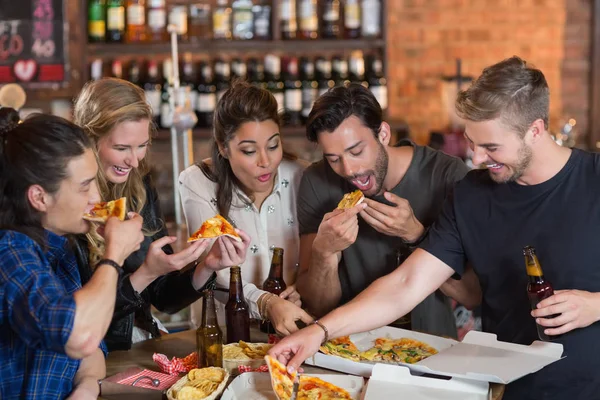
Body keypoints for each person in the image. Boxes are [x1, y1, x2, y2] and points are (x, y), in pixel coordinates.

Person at [269, 56, 600, 400]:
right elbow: (406, 283)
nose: (478, 158)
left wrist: (596, 305)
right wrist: (320, 332)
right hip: (508, 390)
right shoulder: (472, 194)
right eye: (473, 143)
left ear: (535, 129)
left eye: (491, 147)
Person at [72, 78, 250, 351]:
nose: (134, 161)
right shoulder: (66, 204)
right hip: (95, 353)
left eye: (142, 145)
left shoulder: (139, 187)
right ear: (89, 139)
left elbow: (163, 298)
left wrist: (208, 266)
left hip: (142, 339)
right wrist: (144, 273)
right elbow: (78, 320)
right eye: (121, 148)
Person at [295, 83, 478, 338]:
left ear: (383, 134)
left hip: (432, 350)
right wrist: (324, 252)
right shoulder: (316, 182)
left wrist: (417, 236)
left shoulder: (448, 176)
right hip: (347, 350)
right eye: (333, 158)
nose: (348, 169)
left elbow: (471, 294)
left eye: (356, 151)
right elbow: (317, 306)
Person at [0, 108, 144, 399]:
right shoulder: (10, 252)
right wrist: (114, 255)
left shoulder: (60, 246)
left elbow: (92, 349)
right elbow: (78, 336)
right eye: (84, 187)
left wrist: (87, 388)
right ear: (39, 197)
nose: (97, 198)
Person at [179, 81, 313, 335]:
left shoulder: (302, 177)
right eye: (249, 151)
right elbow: (211, 269)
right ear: (223, 147)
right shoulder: (198, 182)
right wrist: (265, 302)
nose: (266, 161)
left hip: (293, 331)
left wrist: (304, 287)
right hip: (225, 334)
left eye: (273, 146)